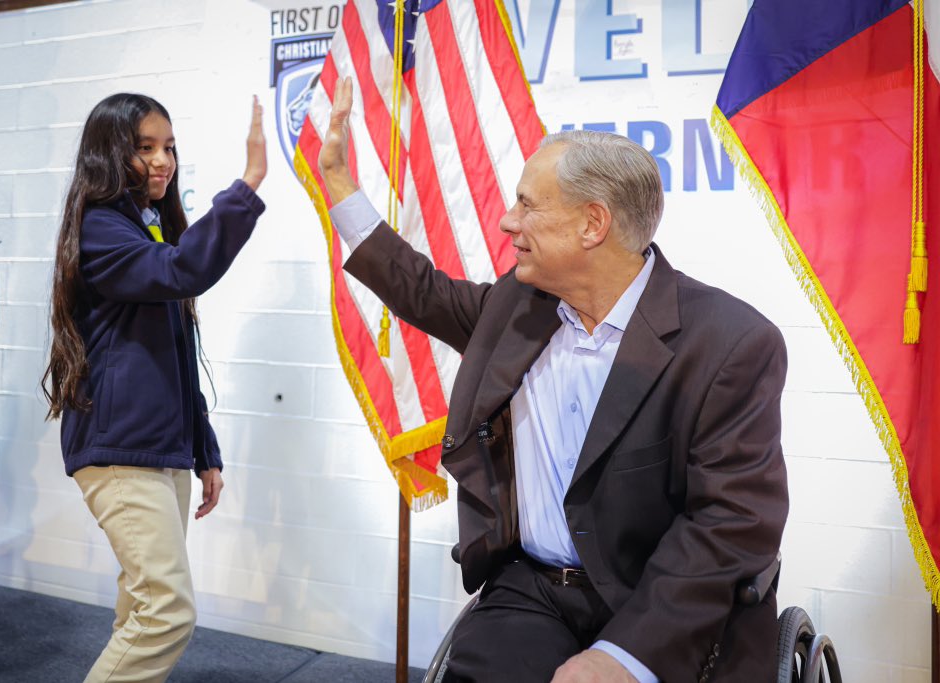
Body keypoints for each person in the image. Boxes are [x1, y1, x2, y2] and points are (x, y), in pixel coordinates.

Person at [319, 78, 788, 683]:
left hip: (663, 600)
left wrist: (623, 657)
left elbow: (729, 525)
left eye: (527, 204)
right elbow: (421, 290)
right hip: (533, 592)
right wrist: (339, 185)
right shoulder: (520, 304)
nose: (507, 220)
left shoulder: (731, 344)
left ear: (593, 223)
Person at [41, 92, 268, 683]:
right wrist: (246, 186)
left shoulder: (143, 227)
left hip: (156, 448)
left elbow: (174, 356)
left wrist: (203, 448)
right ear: (109, 154)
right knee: (166, 614)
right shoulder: (100, 230)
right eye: (144, 148)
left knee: (139, 609)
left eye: (167, 146)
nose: (162, 160)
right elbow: (182, 270)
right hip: (121, 451)